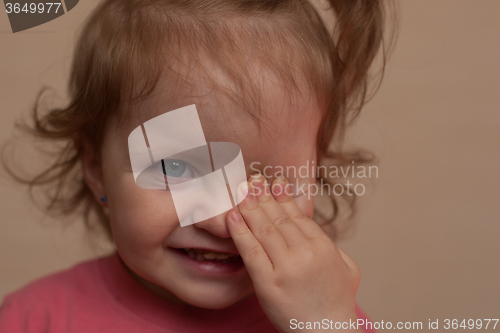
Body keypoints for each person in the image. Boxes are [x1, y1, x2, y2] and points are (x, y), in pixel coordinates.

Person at [0, 0, 396, 332]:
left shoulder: (324, 318)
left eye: (266, 179)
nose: (222, 219)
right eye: (176, 167)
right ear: (96, 169)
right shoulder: (36, 319)